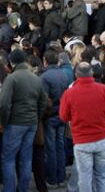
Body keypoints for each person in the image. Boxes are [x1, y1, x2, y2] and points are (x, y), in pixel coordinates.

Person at [60, 62, 105, 192]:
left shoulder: (69, 93)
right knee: (102, 177)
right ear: (91, 73)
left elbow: (63, 116)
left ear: (76, 74)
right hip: (102, 139)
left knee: (84, 177)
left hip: (82, 141)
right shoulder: (104, 89)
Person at [0, 49, 48, 192]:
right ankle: (23, 189)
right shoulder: (35, 78)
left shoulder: (12, 78)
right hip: (31, 123)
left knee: (8, 159)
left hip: (15, 123)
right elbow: (43, 101)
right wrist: (36, 117)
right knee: (26, 159)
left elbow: (4, 104)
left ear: (11, 62)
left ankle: (9, 189)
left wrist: (4, 122)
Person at [40, 50, 68, 188]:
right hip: (61, 115)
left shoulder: (44, 77)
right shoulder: (63, 75)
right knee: (60, 146)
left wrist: (42, 116)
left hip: (50, 116)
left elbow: (45, 101)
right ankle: (61, 177)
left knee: (51, 148)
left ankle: (52, 179)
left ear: (45, 60)